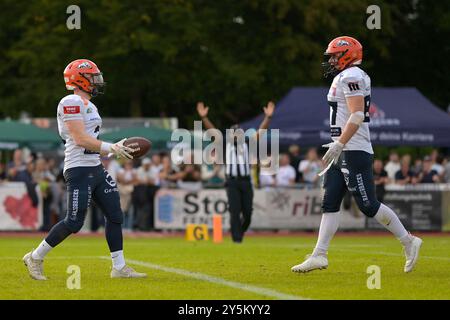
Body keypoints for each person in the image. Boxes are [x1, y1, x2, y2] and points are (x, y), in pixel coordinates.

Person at [291, 36, 422, 274]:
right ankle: (319, 255)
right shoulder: (345, 76)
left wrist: (340, 143)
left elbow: (357, 115)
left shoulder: (352, 76)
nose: (331, 59)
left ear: (347, 55)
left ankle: (408, 241)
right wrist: (337, 144)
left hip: (353, 148)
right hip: (342, 147)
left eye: (334, 55)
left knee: (368, 205)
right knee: (329, 202)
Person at [23, 59, 146, 280]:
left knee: (115, 215)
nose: (97, 81)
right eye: (93, 76)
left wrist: (112, 150)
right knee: (74, 221)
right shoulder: (70, 100)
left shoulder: (90, 105)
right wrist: (113, 148)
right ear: (79, 79)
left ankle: (119, 267)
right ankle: (35, 256)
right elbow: (80, 139)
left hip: (95, 167)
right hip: (78, 168)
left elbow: (91, 142)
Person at [197, 101, 275, 243]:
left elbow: (261, 131)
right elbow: (213, 131)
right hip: (232, 181)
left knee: (248, 212)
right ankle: (236, 239)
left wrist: (268, 118)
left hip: (245, 181)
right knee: (234, 211)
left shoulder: (247, 143)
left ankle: (240, 231)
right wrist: (204, 118)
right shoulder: (225, 144)